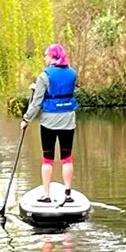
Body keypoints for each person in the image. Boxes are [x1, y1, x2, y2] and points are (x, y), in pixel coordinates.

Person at [21, 43, 78, 203]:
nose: (44, 58)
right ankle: (67, 194)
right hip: (68, 120)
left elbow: (36, 102)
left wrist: (26, 119)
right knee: (66, 157)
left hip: (49, 122)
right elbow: (63, 89)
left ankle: (46, 194)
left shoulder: (44, 76)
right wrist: (38, 86)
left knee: (48, 158)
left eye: (46, 55)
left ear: (53, 56)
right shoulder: (73, 73)